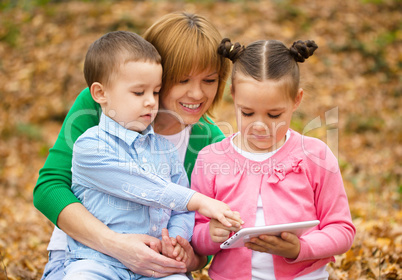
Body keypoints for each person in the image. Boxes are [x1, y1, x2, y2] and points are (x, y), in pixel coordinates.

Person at [34, 12, 235, 279]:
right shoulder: (101, 105)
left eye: (209, 80)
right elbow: (50, 187)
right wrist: (114, 244)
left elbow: (202, 229)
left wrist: (190, 256)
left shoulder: (210, 142)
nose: (197, 94)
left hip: (157, 266)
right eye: (183, 80)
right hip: (87, 256)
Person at [190, 38, 356, 280]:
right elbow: (194, 234)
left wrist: (301, 248)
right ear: (234, 95)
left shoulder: (315, 155)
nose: (260, 125)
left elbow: (341, 229)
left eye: (274, 114)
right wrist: (210, 234)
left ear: (296, 100)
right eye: (247, 113)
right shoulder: (210, 159)